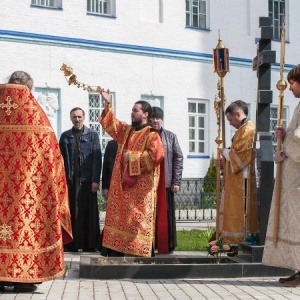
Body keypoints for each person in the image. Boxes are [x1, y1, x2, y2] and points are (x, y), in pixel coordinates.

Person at [0, 71, 72, 293]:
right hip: (28, 194)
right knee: (25, 229)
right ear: (29, 88)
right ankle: (25, 278)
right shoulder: (36, 116)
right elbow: (53, 158)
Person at [98, 89, 165, 257]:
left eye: (135, 111)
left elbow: (157, 156)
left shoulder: (152, 135)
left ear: (145, 114)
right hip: (122, 188)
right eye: (132, 110)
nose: (131, 113)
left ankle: (138, 251)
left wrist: (133, 158)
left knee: (138, 221)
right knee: (120, 218)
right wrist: (108, 102)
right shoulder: (126, 131)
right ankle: (115, 250)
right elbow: (110, 124)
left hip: (141, 191)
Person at [262, 64, 300, 287]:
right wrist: (283, 135)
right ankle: (297, 268)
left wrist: (284, 151)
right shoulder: (298, 107)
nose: (290, 87)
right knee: (294, 223)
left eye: (293, 83)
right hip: (292, 175)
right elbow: (294, 136)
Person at [215, 100, 259, 245]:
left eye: (231, 119)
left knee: (243, 212)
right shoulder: (242, 130)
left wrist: (224, 152)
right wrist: (224, 161)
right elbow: (233, 155)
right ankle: (232, 240)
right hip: (238, 178)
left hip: (244, 180)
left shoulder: (248, 130)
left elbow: (240, 157)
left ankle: (241, 239)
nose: (230, 123)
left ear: (238, 114)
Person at [59, 107, 102, 252]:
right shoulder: (65, 136)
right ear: (71, 118)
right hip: (70, 181)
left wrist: (96, 180)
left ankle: (89, 244)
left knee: (87, 213)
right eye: (74, 117)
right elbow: (60, 160)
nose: (77, 120)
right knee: (72, 212)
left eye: (79, 117)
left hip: (87, 181)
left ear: (84, 117)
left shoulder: (92, 135)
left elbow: (97, 159)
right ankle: (71, 244)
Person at [150, 107, 183, 254]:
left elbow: (178, 158)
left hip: (166, 182)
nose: (155, 121)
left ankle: (167, 244)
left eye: (158, 118)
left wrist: (176, 181)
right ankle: (150, 244)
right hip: (149, 185)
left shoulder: (171, 137)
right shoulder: (146, 135)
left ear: (162, 119)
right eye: (152, 118)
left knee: (166, 214)